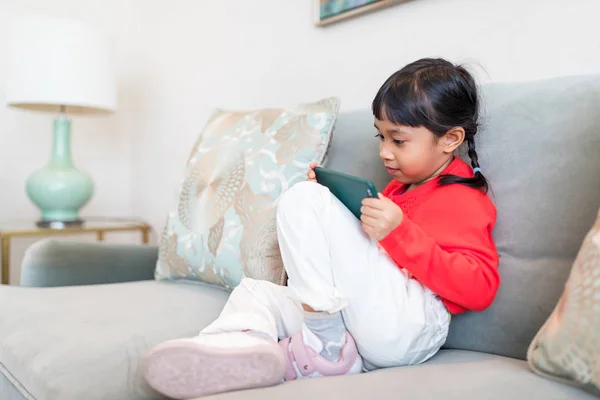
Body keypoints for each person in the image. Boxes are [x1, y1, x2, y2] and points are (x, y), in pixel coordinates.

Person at [141, 58, 500, 399]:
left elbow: (479, 288)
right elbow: (363, 262)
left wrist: (396, 232)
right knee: (257, 292)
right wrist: (333, 206)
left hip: (408, 328)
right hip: (359, 322)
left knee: (303, 197)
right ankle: (234, 350)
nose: (385, 153)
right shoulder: (399, 189)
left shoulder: (461, 198)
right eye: (381, 138)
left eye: (399, 140)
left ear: (450, 139)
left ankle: (323, 345)